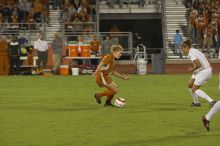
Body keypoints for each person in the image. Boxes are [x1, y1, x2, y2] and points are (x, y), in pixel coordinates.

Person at [181, 40, 216, 107]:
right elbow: (204, 57)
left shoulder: (191, 54)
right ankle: (196, 102)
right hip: (201, 70)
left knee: (194, 89)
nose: (182, 51)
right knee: (190, 85)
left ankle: (211, 101)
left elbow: (199, 65)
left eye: (182, 49)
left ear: (186, 47)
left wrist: (192, 69)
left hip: (204, 71)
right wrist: (210, 66)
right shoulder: (194, 50)